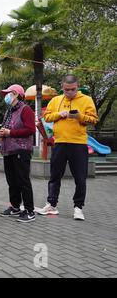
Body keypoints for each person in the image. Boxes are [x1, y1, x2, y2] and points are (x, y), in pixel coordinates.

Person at [35, 75, 98, 220]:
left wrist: (80, 116)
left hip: (79, 143)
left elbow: (94, 119)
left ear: (78, 86)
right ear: (62, 87)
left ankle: (78, 207)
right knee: (55, 176)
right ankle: (51, 204)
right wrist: (59, 114)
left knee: (80, 177)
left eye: (73, 89)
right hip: (60, 143)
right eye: (67, 90)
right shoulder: (56, 100)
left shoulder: (86, 100)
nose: (70, 92)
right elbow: (47, 117)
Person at [0, 84, 36, 223]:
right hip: (8, 149)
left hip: (21, 149)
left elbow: (30, 129)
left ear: (16, 94)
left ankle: (29, 210)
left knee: (23, 180)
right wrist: (3, 133)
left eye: (8, 93)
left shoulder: (25, 109)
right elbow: (7, 128)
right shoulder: (9, 111)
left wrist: (10, 132)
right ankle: (15, 206)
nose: (6, 96)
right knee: (12, 180)